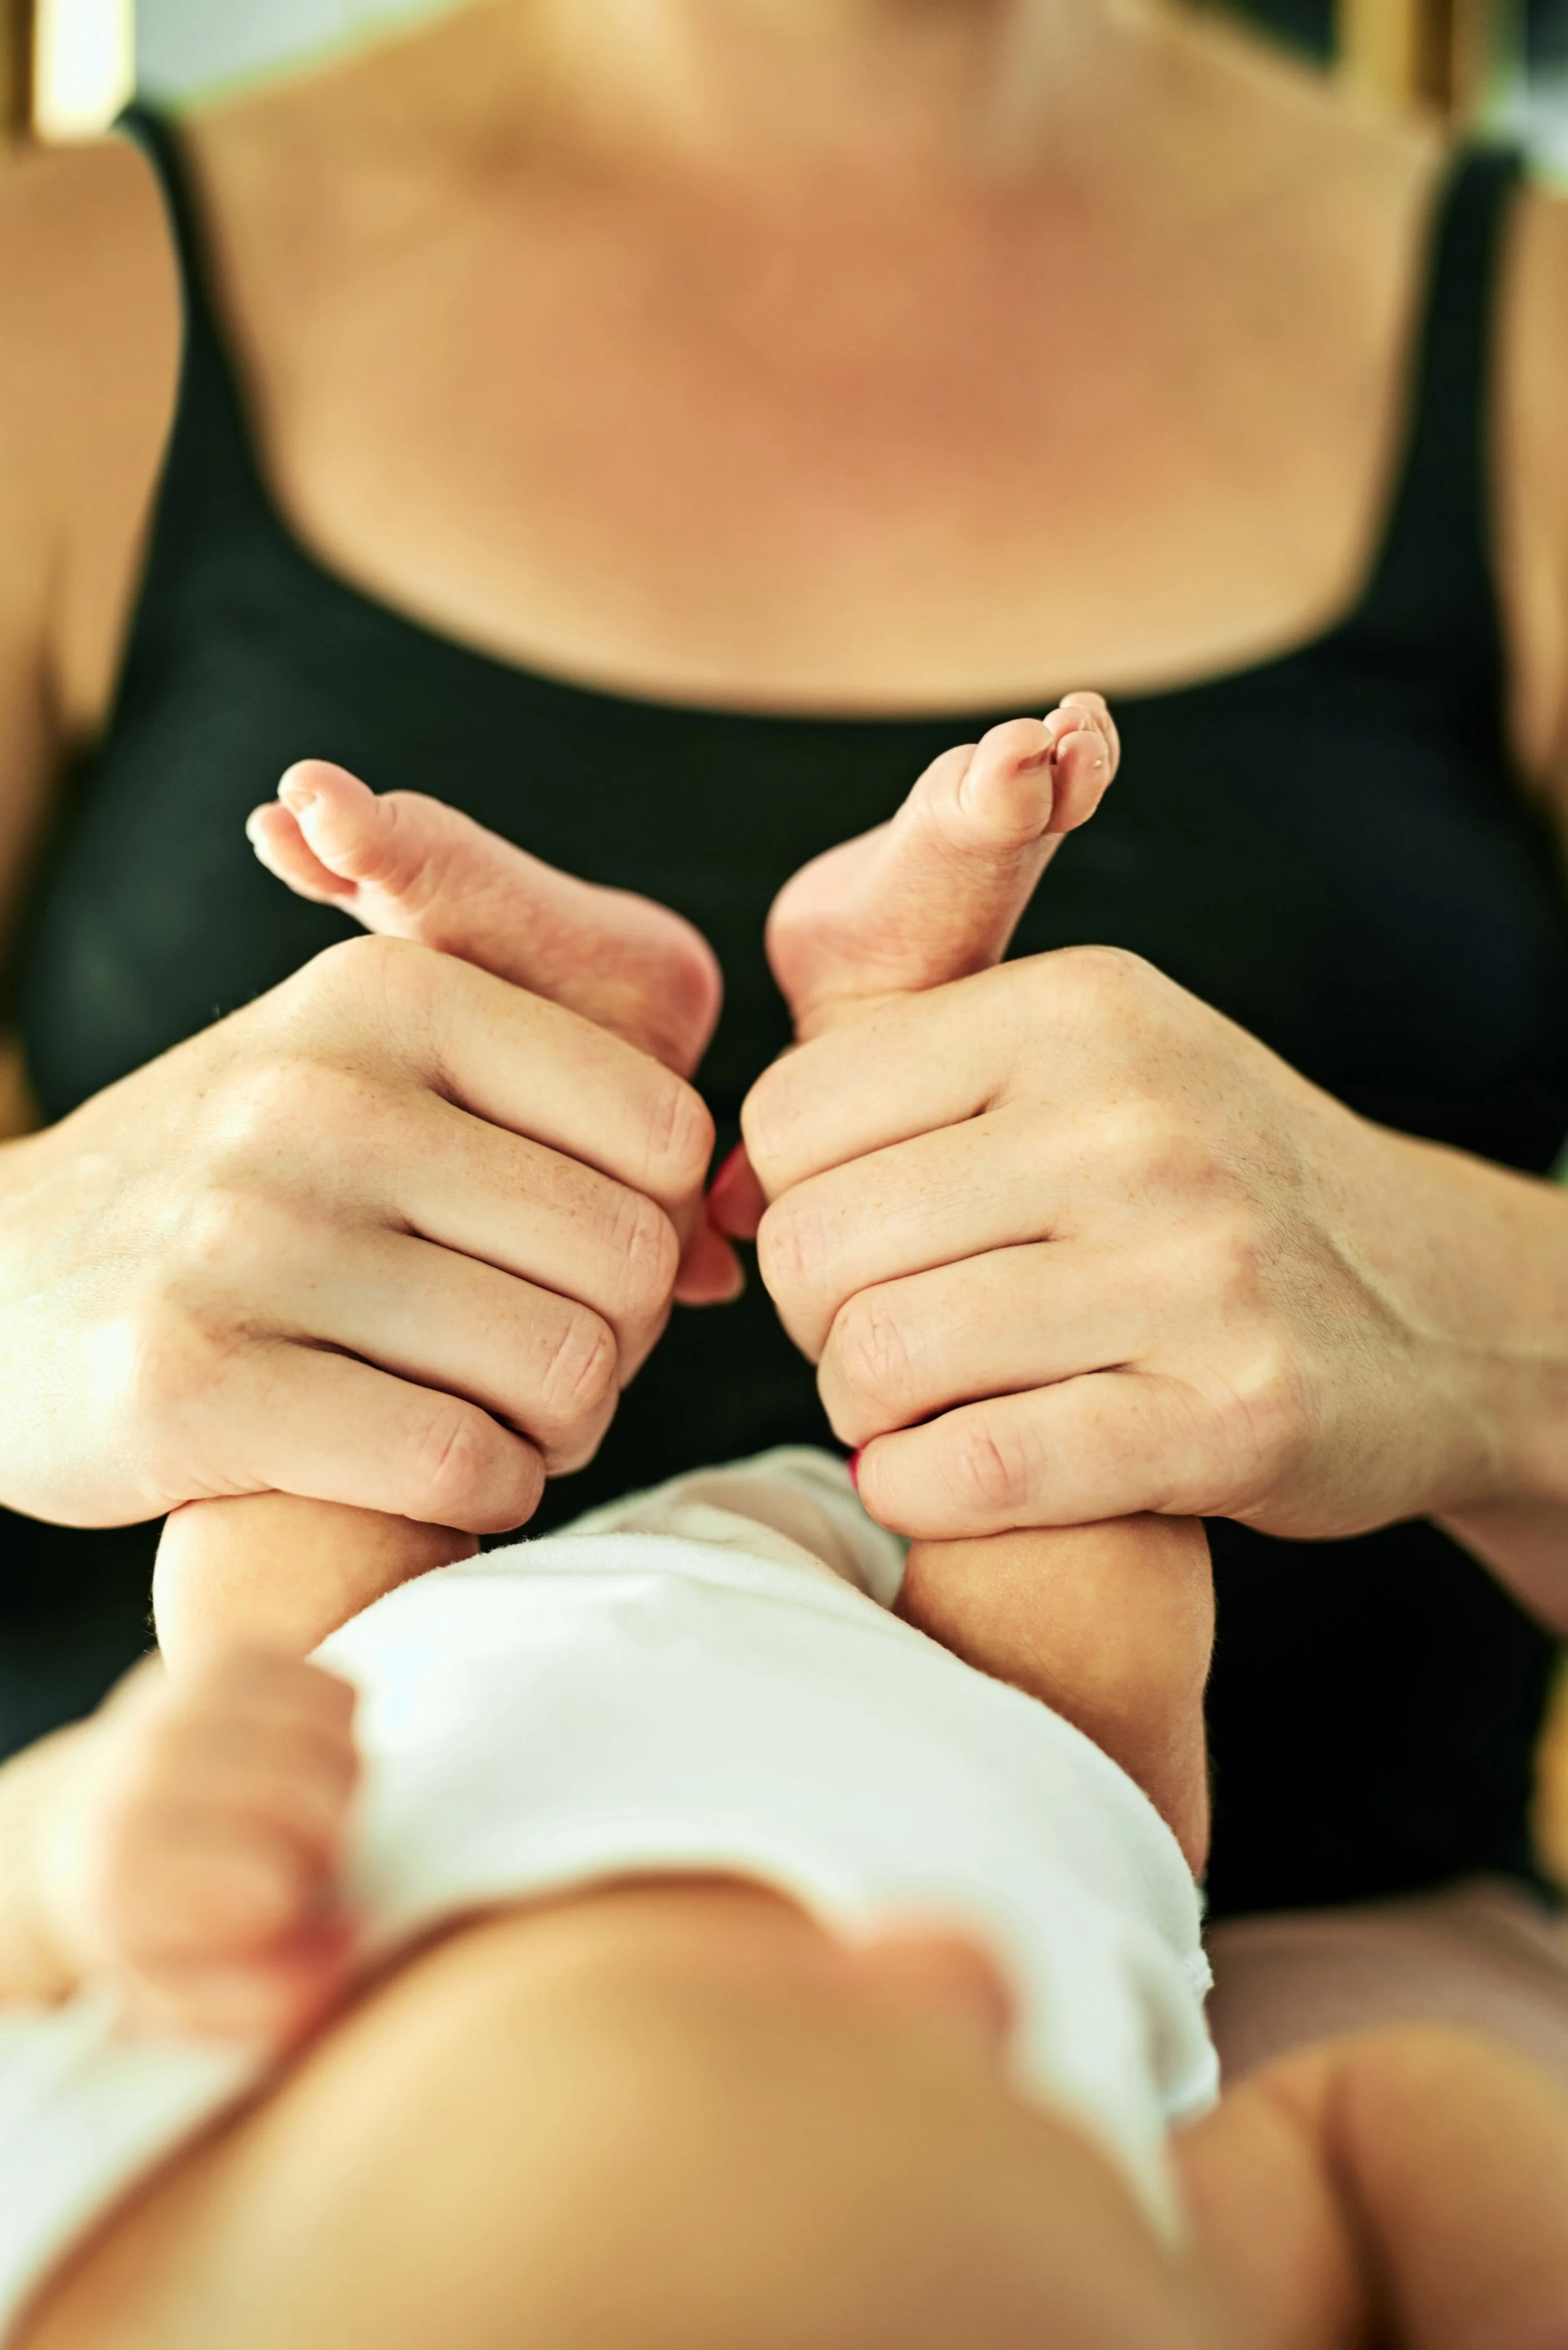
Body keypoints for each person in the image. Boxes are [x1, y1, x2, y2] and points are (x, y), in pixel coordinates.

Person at [1, 0, 1567, 1997]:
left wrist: (1466, 1318)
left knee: (1018, 1521)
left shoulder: (1528, 339)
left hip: (1183, 1954)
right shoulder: (56, 306)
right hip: (280, 1935)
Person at [1, 1450, 1566, 2350]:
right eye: (1006, 2106)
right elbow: (1375, 2133)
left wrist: (86, 1839)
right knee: (1055, 1445)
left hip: (392, 1665)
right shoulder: (1118, 2299)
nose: (956, 1965)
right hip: (1019, 1717)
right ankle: (922, 1040)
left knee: (282, 1497)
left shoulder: (55, 2236)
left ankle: (521, 1037)